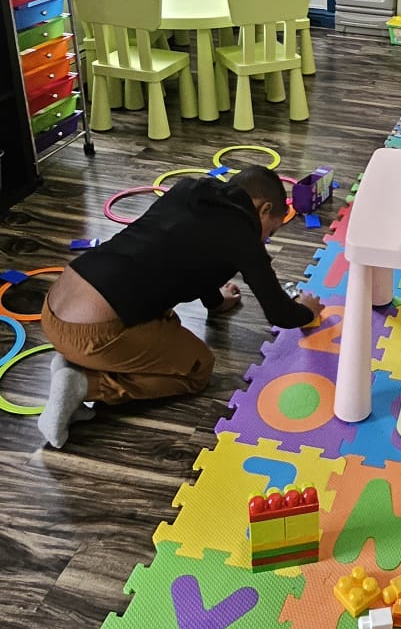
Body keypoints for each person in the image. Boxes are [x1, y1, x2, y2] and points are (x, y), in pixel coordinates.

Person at [36, 164, 318, 448]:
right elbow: (280, 313)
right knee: (198, 369)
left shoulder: (189, 189)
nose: (265, 238)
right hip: (92, 332)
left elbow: (194, 255)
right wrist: (308, 311)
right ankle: (83, 383)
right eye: (271, 230)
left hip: (54, 307)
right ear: (264, 209)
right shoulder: (243, 234)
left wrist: (216, 302)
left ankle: (73, 360)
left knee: (164, 317)